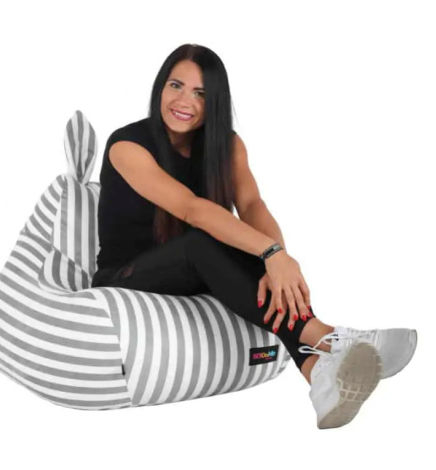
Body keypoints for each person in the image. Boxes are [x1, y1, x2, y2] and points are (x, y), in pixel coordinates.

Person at [91, 44, 417, 429]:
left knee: (249, 246)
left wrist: (279, 262)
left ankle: (318, 375)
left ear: (215, 101)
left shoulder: (226, 145)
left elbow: (251, 204)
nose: (183, 101)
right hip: (128, 276)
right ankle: (328, 337)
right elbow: (191, 209)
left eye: (200, 93)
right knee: (209, 238)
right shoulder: (127, 145)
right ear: (160, 87)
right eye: (175, 85)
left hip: (194, 271)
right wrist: (270, 252)